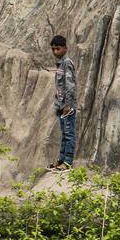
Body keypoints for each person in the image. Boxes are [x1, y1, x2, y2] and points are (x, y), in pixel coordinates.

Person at [49, 34, 77, 171]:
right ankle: (61, 159)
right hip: (61, 105)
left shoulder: (67, 63)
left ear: (65, 48)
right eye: (53, 49)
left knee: (69, 133)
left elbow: (70, 86)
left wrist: (68, 105)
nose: (55, 52)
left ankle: (68, 162)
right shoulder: (60, 64)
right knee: (64, 134)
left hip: (67, 107)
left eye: (58, 49)